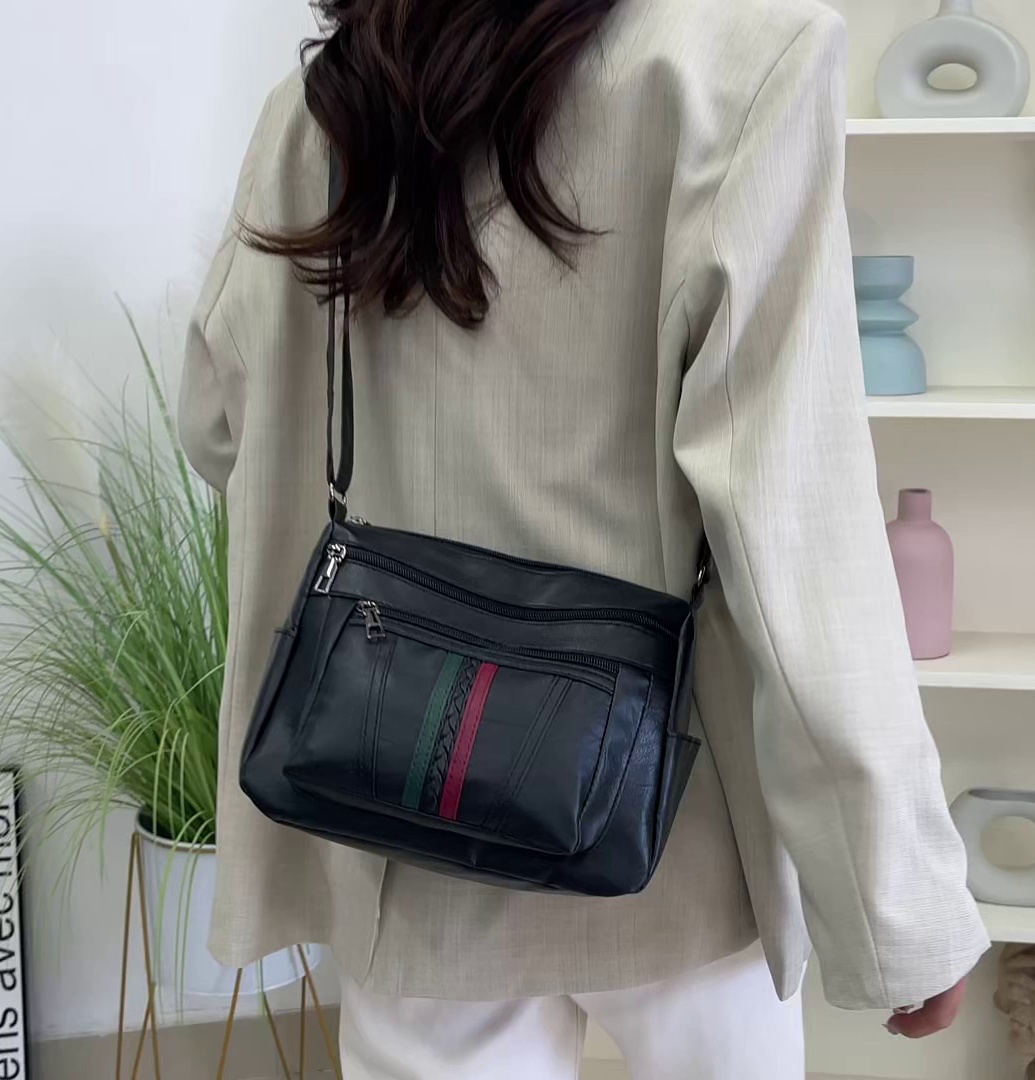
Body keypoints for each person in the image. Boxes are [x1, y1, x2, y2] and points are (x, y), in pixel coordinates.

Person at [179, 0, 990, 1075]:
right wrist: (900, 908)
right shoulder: (739, 68)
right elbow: (797, 522)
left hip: (401, 815)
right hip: (666, 820)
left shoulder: (325, 106)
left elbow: (218, 425)